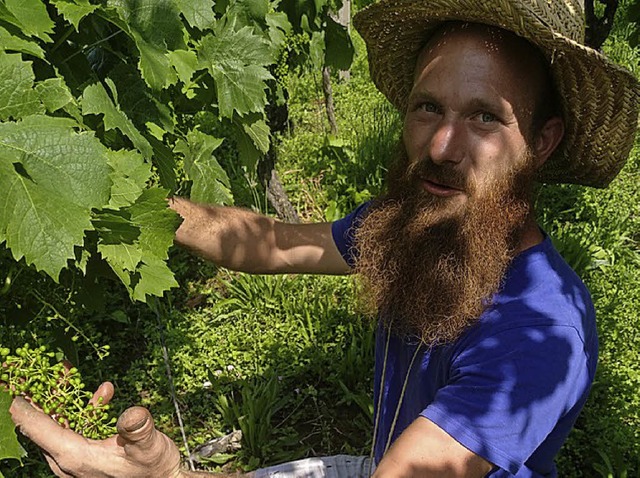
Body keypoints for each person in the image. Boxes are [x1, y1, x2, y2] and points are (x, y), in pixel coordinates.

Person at [9, 0, 639, 477]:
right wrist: (108, 199)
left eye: (483, 116)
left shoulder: (536, 334)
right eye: (427, 108)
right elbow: (270, 244)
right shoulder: (420, 229)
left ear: (545, 141)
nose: (442, 146)